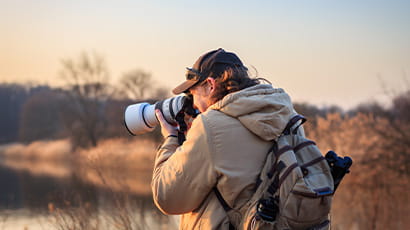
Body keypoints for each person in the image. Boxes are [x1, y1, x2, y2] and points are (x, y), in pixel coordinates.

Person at [152, 48, 301, 229]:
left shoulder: (211, 126)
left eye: (193, 94)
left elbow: (167, 198)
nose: (193, 103)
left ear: (210, 85)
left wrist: (171, 139)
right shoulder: (286, 116)